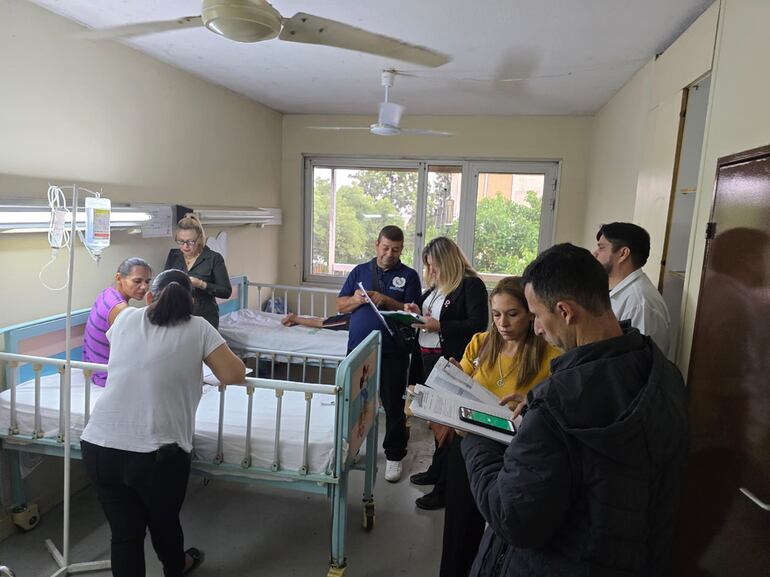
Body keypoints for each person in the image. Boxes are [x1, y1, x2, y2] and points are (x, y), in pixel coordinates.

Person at [462, 243, 688, 577]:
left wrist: (474, 438)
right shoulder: (663, 374)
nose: (537, 329)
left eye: (537, 315)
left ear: (565, 311)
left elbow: (513, 519)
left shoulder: (555, 406)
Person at [80, 269, 246, 577]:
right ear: (191, 302)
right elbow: (233, 374)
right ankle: (176, 567)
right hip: (156, 454)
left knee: (125, 534)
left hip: (99, 445)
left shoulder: (126, 319)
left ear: (149, 296)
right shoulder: (199, 327)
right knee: (164, 522)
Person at [439, 276, 560, 577]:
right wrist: (450, 379)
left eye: (512, 314)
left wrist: (529, 405)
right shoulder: (481, 343)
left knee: (503, 535)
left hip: (515, 452)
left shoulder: (551, 355)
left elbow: (554, 411)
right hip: (469, 443)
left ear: (530, 313)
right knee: (459, 528)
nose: (502, 323)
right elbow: (461, 386)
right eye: (496, 314)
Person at [403, 236, 489, 510]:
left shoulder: (470, 285)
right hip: (427, 359)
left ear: (447, 261)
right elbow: (431, 317)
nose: (430, 271)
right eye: (428, 266)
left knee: (449, 426)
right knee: (435, 420)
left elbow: (477, 324)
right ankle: (436, 470)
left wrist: (440, 326)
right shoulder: (436, 287)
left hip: (450, 362)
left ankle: (444, 488)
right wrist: (416, 312)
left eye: (434, 265)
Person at [337, 225, 421, 482]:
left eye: (396, 250)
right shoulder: (359, 271)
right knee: (354, 402)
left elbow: (414, 313)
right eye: (385, 248)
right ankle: (351, 449)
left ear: (402, 250)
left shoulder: (409, 276)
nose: (389, 254)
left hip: (393, 351)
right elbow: (340, 305)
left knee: (393, 405)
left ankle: (394, 455)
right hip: (358, 351)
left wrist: (385, 300)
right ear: (376, 245)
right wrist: (358, 300)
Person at [593, 222, 673, 358]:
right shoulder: (616, 290)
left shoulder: (640, 304)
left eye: (601, 248)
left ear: (623, 253)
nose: (594, 253)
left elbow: (637, 363)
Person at [83, 257, 152, 387]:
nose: (144, 287)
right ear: (119, 278)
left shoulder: (107, 293)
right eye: (137, 281)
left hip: (91, 370)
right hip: (108, 377)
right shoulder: (121, 309)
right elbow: (139, 349)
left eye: (147, 281)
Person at [164, 213, 231, 329]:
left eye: (190, 242)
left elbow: (226, 292)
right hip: (178, 315)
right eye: (181, 241)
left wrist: (201, 284)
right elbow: (163, 283)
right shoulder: (173, 256)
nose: (185, 246)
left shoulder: (213, 258)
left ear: (199, 238)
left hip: (205, 317)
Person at [281, 312, 351, 331]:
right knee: (321, 324)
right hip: (348, 321)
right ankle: (293, 318)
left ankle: (297, 320)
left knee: (326, 321)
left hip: (350, 318)